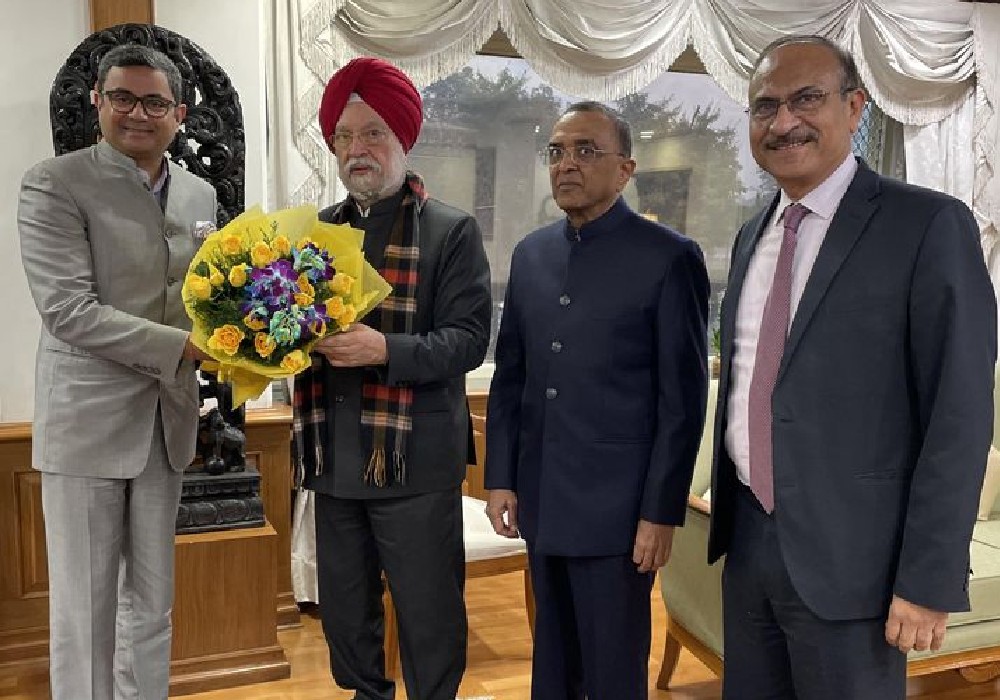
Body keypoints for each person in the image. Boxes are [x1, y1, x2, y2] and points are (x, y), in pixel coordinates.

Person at [708, 35, 997, 699]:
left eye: (806, 98)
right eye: (765, 106)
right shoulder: (754, 234)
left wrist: (926, 580)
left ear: (855, 107)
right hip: (748, 547)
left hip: (858, 568)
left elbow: (958, 417)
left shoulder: (928, 226)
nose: (783, 121)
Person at [484, 101, 710, 699]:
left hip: (619, 511)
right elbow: (512, 378)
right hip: (540, 495)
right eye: (557, 151)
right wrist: (500, 478)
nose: (567, 164)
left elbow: (682, 403)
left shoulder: (668, 258)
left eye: (587, 151)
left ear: (626, 169)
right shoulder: (531, 255)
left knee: (611, 669)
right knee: (551, 663)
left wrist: (661, 513)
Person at [17, 44, 216, 700]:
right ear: (98, 102)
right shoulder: (55, 182)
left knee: (152, 607)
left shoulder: (199, 192)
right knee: (87, 613)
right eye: (123, 98)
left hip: (166, 424)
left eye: (155, 102)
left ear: (179, 113)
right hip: (87, 426)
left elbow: (204, 295)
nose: (139, 113)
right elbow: (68, 312)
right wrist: (187, 348)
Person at [293, 57, 491, 700]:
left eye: (373, 132)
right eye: (344, 137)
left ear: (404, 139)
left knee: (429, 613)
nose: (357, 150)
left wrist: (385, 348)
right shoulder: (313, 234)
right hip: (332, 452)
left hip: (415, 459)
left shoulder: (451, 230)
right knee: (345, 613)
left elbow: (467, 341)